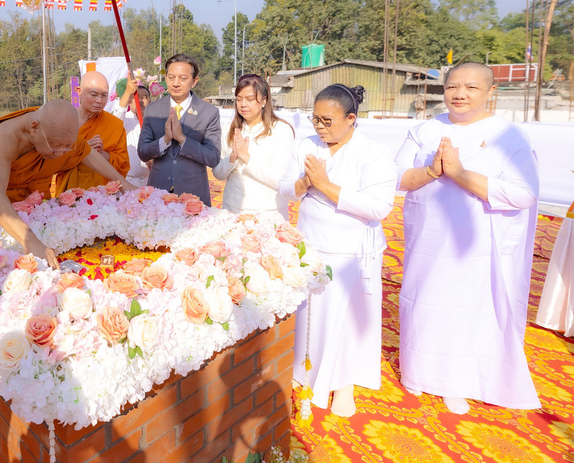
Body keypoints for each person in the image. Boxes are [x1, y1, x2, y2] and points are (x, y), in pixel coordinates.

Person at [396, 62, 540, 414]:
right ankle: (419, 372)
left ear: (491, 92)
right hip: (427, 237)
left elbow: (524, 194)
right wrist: (432, 170)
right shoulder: (425, 130)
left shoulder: (508, 136)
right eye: (452, 87)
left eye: (471, 87)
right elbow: (397, 177)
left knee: (464, 310)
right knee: (424, 303)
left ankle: (456, 381)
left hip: (474, 245)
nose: (459, 94)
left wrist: (459, 173)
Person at [280, 84, 396, 417]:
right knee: (309, 317)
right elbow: (286, 189)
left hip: (350, 252)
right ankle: (302, 371)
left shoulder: (373, 152)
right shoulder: (306, 145)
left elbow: (378, 207)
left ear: (351, 119)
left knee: (345, 322)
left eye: (327, 121)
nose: (319, 127)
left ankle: (344, 384)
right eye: (315, 119)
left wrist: (326, 185)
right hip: (310, 243)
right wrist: (305, 183)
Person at [0, 100, 135, 269]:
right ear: (34, 128)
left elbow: (86, 153)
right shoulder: (6, 137)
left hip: (33, 204)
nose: (60, 153)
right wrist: (29, 240)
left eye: (67, 147)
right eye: (54, 145)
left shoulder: (56, 130)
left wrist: (123, 183)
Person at [138, 54, 221, 206]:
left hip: (194, 194)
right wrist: (165, 140)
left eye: (183, 78)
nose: (176, 83)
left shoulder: (208, 112)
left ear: (194, 81)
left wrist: (183, 139)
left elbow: (213, 157)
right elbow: (143, 152)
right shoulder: (153, 110)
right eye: (171, 77)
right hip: (158, 193)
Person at [213, 74, 295, 221]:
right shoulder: (228, 130)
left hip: (267, 215)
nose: (243, 104)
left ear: (264, 100)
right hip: (232, 210)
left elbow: (281, 181)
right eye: (238, 99)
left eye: (250, 99)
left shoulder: (280, 130)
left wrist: (247, 158)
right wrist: (232, 158)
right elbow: (218, 174)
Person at [54, 71, 129, 193]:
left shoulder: (115, 125)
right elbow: (49, 159)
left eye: (104, 95)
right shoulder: (62, 121)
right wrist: (81, 149)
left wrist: (104, 155)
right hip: (67, 191)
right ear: (79, 91)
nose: (99, 100)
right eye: (94, 95)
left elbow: (123, 164)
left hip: (102, 193)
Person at [109, 74, 152, 188]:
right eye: (137, 97)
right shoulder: (125, 120)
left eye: (145, 97)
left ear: (150, 101)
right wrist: (128, 92)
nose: (141, 101)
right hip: (128, 182)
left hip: (150, 181)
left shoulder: (155, 122)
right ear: (130, 101)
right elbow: (116, 119)